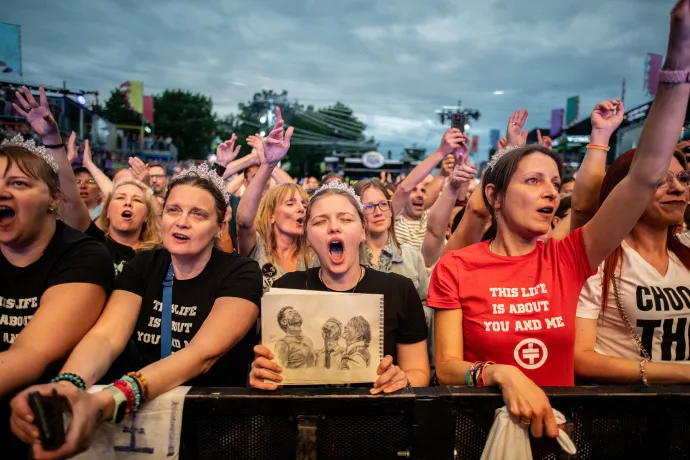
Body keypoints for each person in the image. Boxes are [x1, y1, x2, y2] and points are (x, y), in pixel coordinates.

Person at [429, 8, 690, 436]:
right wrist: (501, 374)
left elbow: (645, 176)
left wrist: (677, 68)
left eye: (555, 182)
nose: (551, 191)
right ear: (493, 197)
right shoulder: (456, 267)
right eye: (533, 181)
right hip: (481, 435)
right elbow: (449, 368)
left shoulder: (569, 257)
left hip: (563, 435)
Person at [9, 162, 263, 459]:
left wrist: (108, 399)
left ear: (219, 227)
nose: (182, 222)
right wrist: (68, 387)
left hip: (211, 429)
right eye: (174, 210)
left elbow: (200, 355)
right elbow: (106, 336)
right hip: (142, 424)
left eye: (198, 214)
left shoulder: (240, 272)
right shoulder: (143, 265)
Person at [1, 87, 113, 457]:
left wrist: (52, 143)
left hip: (49, 434)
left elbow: (30, 353)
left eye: (17, 183)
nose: (2, 192)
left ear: (54, 200)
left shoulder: (85, 255)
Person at [249, 182, 430, 394]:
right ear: (306, 237)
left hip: (376, 418)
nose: (334, 227)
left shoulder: (399, 289)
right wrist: (262, 374)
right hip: (303, 419)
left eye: (346, 219)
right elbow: (268, 368)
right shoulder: (285, 289)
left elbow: (419, 371)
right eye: (319, 221)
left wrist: (402, 380)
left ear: (362, 231)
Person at [575, 146, 690, 383]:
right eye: (660, 181)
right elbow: (580, 357)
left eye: (684, 178)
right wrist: (681, 373)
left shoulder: (686, 250)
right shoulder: (598, 260)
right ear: (625, 190)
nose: (678, 188)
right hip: (624, 411)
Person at [60, 133, 162, 275]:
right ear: (106, 210)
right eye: (120, 198)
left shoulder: (157, 255)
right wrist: (56, 145)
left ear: (146, 215)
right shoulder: (93, 242)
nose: (127, 203)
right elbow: (70, 199)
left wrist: (146, 188)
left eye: (137, 200)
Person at [237, 111, 312, 291]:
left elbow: (293, 188)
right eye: (290, 204)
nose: (301, 208)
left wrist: (272, 164)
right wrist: (267, 166)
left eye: (304, 204)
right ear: (271, 215)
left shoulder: (312, 252)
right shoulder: (257, 248)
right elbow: (244, 222)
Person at [353, 179, 429, 306]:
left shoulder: (412, 255)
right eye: (368, 207)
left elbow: (425, 302)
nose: (378, 212)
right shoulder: (348, 258)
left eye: (383, 204)